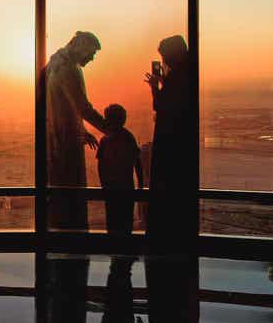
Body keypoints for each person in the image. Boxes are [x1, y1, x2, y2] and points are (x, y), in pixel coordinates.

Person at [44, 31, 106, 230]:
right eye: (91, 52)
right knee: (72, 192)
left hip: (56, 136)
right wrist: (110, 128)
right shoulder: (69, 68)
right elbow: (82, 106)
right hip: (66, 140)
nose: (92, 58)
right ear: (80, 47)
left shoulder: (53, 65)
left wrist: (80, 128)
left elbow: (65, 105)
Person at [145, 35, 198, 243]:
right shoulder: (184, 75)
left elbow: (161, 107)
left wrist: (155, 88)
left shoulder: (177, 78)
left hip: (169, 138)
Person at [96, 104, 144, 237]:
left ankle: (115, 250)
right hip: (127, 187)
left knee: (112, 221)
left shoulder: (105, 140)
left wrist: (103, 184)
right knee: (126, 221)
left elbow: (100, 165)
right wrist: (140, 185)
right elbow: (137, 163)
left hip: (110, 188)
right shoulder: (128, 138)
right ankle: (125, 251)